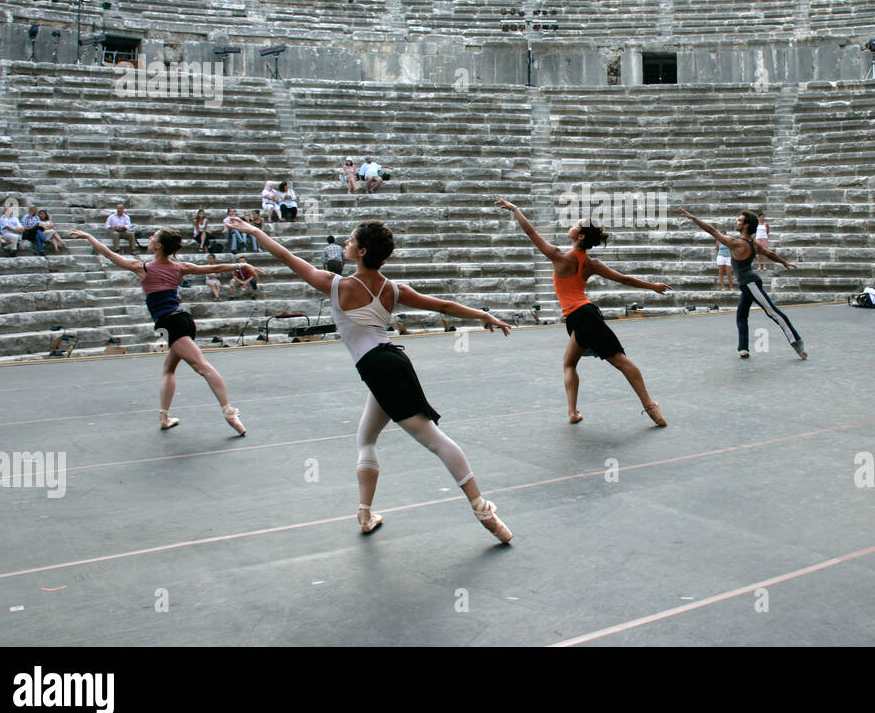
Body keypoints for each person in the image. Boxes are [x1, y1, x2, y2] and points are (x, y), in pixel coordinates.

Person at [224, 215, 515, 541]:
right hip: (388, 363)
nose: (345, 243)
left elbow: (287, 258)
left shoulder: (336, 285)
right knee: (366, 438)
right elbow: (443, 305)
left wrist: (253, 231)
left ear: (361, 251)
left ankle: (482, 509)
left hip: (380, 367)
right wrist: (483, 315)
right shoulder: (392, 289)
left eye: (349, 240)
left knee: (433, 439)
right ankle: (365, 513)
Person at [496, 197, 669, 426]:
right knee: (572, 363)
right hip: (582, 317)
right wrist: (653, 287)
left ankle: (650, 406)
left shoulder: (559, 256)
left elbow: (531, 233)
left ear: (580, 236)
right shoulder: (591, 263)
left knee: (619, 362)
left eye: (575, 225)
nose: (571, 226)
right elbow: (624, 279)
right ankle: (573, 412)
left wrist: (515, 209)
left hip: (581, 317)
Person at [67, 226, 253, 434]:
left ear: (157, 246)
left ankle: (229, 412)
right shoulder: (179, 267)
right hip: (181, 320)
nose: (149, 238)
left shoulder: (142, 267)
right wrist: (239, 265)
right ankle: (164, 417)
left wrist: (89, 235)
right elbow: (213, 268)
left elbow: (109, 254)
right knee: (169, 369)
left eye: (152, 237)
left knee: (202, 366)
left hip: (170, 322)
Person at [682, 207, 806, 361]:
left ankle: (797, 343)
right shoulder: (752, 243)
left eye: (739, 220)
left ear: (746, 225)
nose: (737, 222)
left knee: (772, 312)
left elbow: (712, 231)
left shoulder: (737, 244)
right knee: (741, 316)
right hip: (747, 285)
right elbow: (770, 253)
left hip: (750, 284)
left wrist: (694, 218)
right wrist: (784, 262)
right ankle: (743, 349)